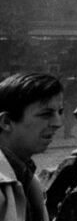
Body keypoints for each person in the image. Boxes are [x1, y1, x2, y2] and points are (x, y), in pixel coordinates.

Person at [0, 73, 64, 221]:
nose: (58, 123)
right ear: (6, 122)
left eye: (60, 112)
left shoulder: (26, 175)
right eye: (46, 114)